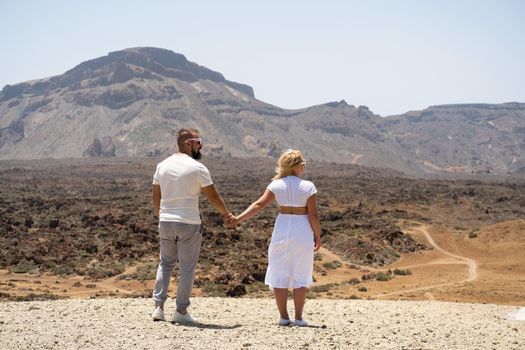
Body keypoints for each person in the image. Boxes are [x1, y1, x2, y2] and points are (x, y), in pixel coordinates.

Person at [151, 128, 234, 323]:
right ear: (188, 143)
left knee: (165, 263)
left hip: (166, 221)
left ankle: (158, 308)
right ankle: (180, 312)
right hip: (188, 222)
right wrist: (226, 215)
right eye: (198, 142)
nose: (201, 146)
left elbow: (156, 196)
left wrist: (161, 215)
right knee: (187, 267)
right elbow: (213, 196)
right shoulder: (198, 168)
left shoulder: (162, 166)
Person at [231, 149, 321, 327]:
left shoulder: (276, 185)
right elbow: (313, 215)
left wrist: (238, 219)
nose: (304, 166)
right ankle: (299, 318)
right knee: (300, 273)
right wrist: (317, 236)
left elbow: (259, 204)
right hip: (302, 229)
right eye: (302, 163)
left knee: (279, 271)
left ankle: (283, 317)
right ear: (296, 166)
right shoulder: (308, 186)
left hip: (282, 228)